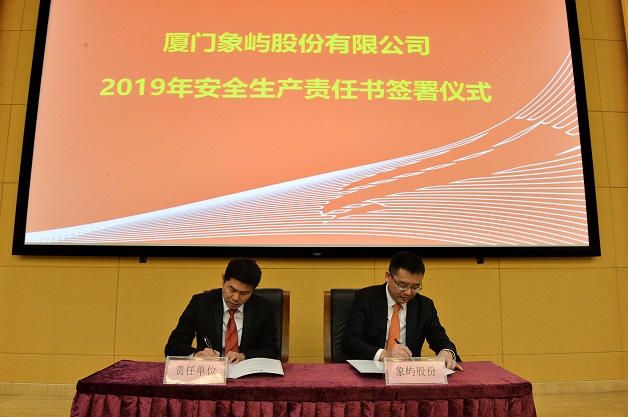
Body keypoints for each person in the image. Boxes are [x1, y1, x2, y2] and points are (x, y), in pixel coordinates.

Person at [341, 251, 463, 371]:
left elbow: (440, 338)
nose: (409, 292)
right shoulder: (366, 298)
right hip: (370, 371)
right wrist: (385, 354)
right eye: (403, 285)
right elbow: (349, 341)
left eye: (415, 287)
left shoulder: (424, 306)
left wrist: (447, 352)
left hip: (408, 374)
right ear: (388, 276)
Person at [164, 257, 279, 364]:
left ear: (253, 290)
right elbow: (173, 347)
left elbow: (271, 350)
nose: (236, 298)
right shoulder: (200, 304)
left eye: (244, 293)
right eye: (232, 289)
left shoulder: (264, 307)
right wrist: (198, 354)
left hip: (246, 371)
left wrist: (243, 356)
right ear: (223, 279)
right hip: (210, 371)